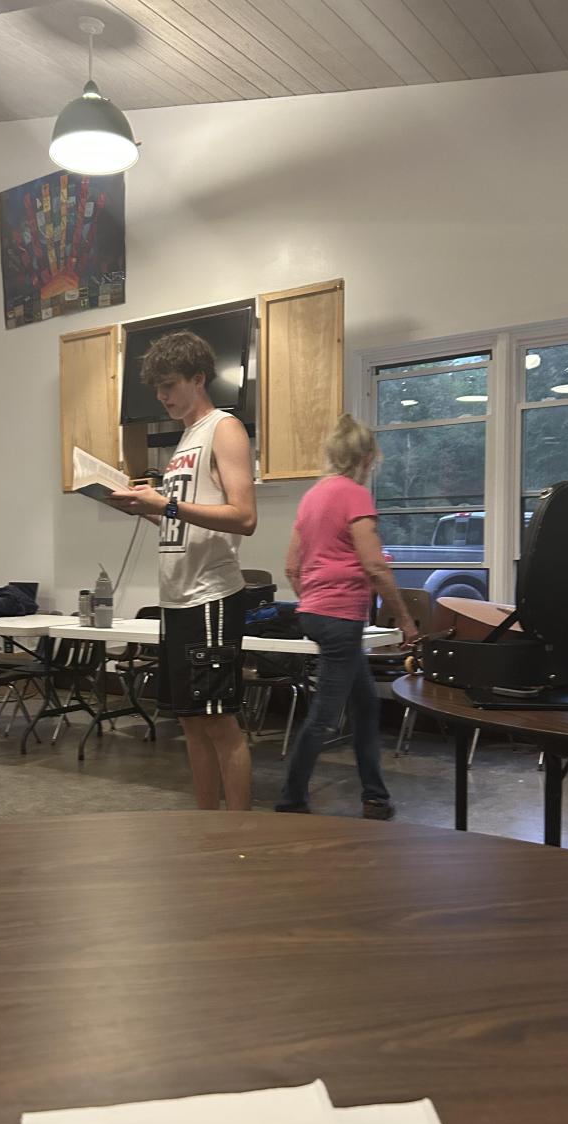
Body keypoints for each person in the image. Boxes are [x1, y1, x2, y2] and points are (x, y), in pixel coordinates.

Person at [110, 331, 257, 811]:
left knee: (219, 721)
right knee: (191, 720)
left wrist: (166, 505)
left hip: (210, 595)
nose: (162, 396)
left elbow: (244, 517)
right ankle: (206, 824)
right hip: (177, 598)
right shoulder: (186, 440)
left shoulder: (223, 428)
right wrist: (147, 510)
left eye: (169, 385)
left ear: (198, 378)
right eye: (157, 388)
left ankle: (237, 830)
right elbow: (183, 520)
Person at [277, 414, 419, 820]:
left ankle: (375, 795)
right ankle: (290, 800)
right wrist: (406, 621)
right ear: (368, 458)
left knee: (365, 705)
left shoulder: (312, 497)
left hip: (313, 613)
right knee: (324, 716)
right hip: (340, 619)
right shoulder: (355, 495)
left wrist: (315, 600)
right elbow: (375, 566)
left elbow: (291, 566)